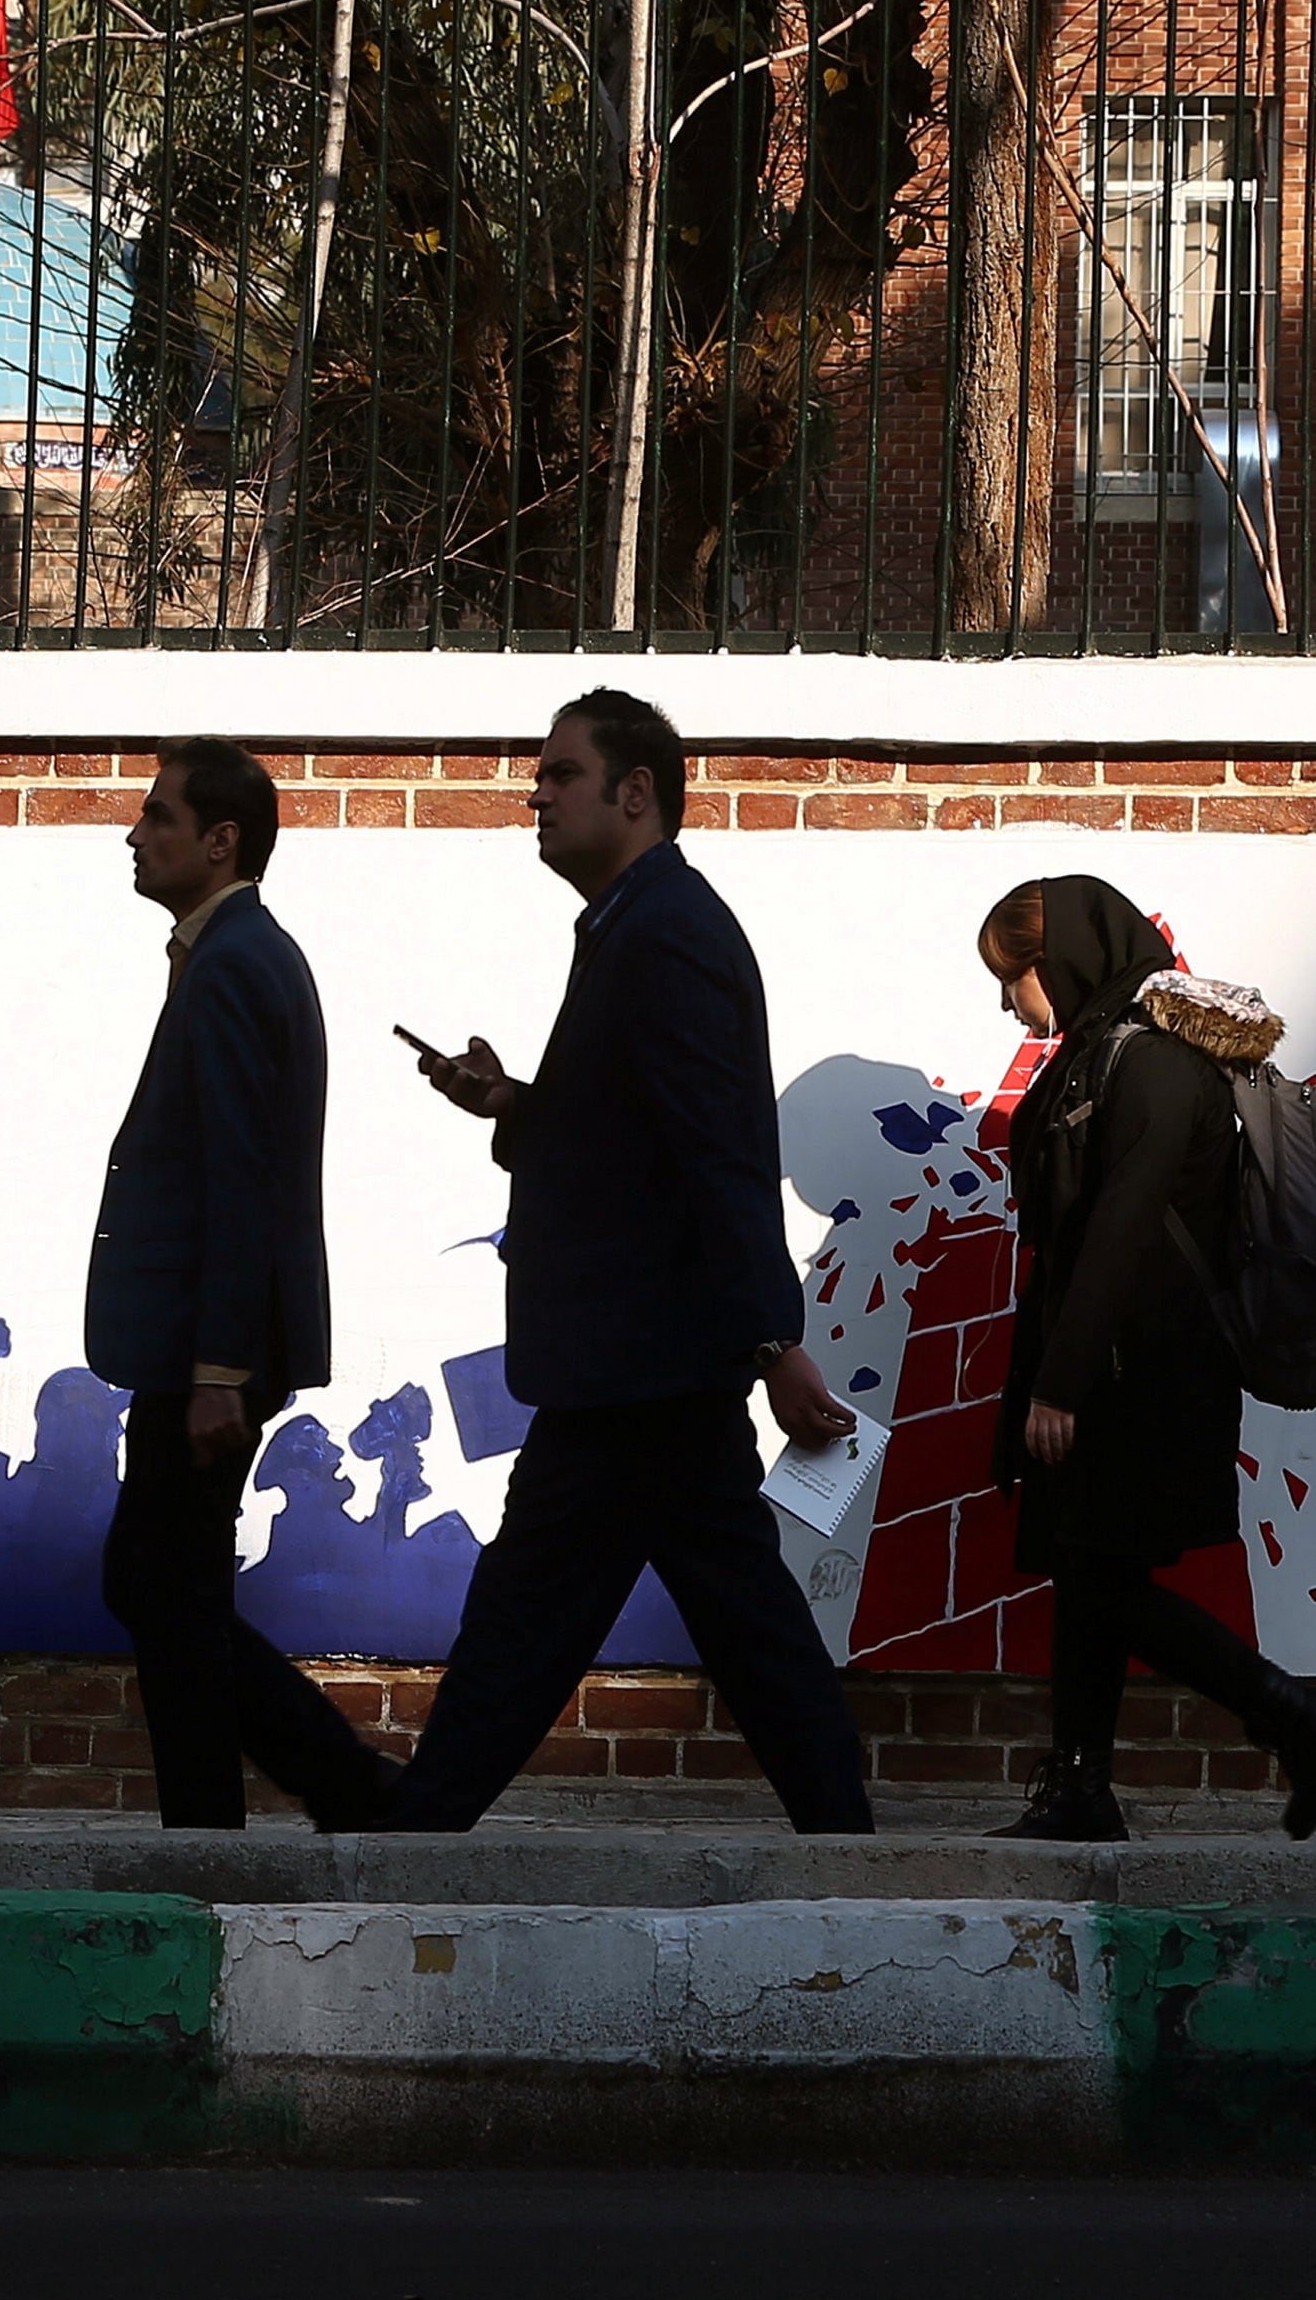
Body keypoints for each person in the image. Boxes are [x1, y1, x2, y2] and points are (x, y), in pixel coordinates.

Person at [389, 688, 875, 1834]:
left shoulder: (667, 932)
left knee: (536, 1614)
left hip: (641, 1363)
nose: (537, 795)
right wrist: (512, 1104)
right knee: (719, 1611)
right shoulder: (633, 924)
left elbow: (719, 1149)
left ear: (636, 792)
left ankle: (414, 1832)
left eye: (561, 774)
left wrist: (774, 1341)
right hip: (640, 1362)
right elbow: (635, 1134)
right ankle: (841, 1828)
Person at [972, 876, 1316, 1843]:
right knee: (1086, 1568)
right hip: (1107, 1358)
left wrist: (1061, 1381)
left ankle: (1295, 1713)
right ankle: (1082, 1785)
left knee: (1103, 1576)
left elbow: (1122, 1226)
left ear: (1060, 960)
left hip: (1142, 1370)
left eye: (1013, 976)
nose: (1008, 1001)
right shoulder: (1098, 1054)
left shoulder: (1150, 1062)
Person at [84, 737, 397, 1831]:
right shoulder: (237, 953)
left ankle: (318, 1792)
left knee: (158, 1584)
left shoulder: (231, 964)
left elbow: (239, 1174)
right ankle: (271, 1806)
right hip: (201, 1342)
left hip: (204, 1348)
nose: (135, 833)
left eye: (158, 816)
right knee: (166, 1585)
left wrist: (220, 1366)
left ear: (220, 841)